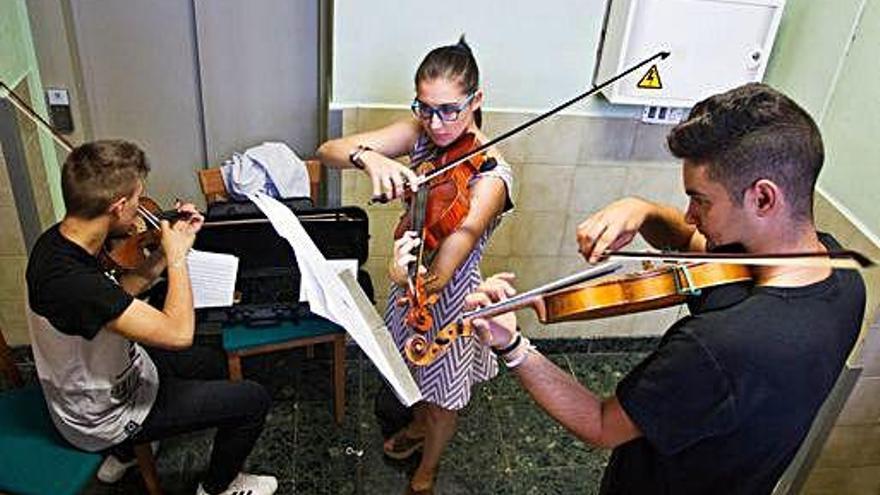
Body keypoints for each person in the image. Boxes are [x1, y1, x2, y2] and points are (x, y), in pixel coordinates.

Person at [466, 83, 866, 495]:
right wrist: (644, 211)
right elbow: (701, 252)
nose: (690, 216)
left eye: (701, 200)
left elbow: (601, 424)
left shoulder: (718, 346)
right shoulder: (842, 274)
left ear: (763, 197)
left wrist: (511, 343)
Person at [317, 36, 513, 494]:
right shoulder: (422, 135)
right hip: (411, 284)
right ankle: (418, 426)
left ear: (476, 100)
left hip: (449, 300)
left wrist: (405, 277)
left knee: (444, 396)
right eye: (425, 108)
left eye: (449, 109)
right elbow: (329, 150)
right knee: (411, 376)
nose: (437, 123)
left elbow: (448, 261)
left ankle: (427, 470)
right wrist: (368, 159)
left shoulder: (492, 176)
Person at [26, 140, 278, 495]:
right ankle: (217, 487)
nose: (138, 213)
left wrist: (164, 251)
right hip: (102, 415)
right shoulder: (72, 284)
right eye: (135, 201)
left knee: (211, 360)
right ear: (116, 206)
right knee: (253, 400)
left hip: (116, 370)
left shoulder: (61, 242)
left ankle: (128, 455)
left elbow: (120, 291)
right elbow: (178, 334)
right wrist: (176, 260)